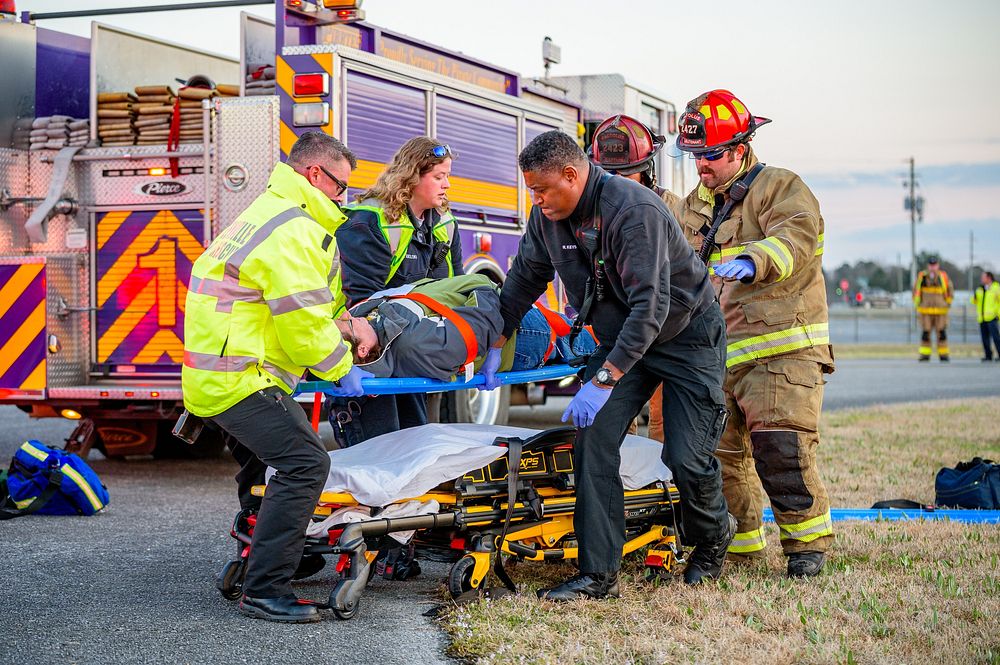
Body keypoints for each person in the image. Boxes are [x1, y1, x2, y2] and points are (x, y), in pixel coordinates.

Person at [481, 130, 735, 601]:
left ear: (573, 176)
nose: (535, 201)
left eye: (541, 190)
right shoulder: (548, 218)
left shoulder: (633, 212)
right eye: (530, 190)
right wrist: (496, 343)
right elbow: (522, 282)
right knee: (593, 439)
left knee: (684, 456)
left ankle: (713, 534)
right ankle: (598, 574)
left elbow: (651, 307)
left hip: (685, 336)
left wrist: (603, 378)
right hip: (623, 337)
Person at [182, 131, 373, 623]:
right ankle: (266, 589)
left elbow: (308, 309)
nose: (342, 197)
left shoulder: (269, 215)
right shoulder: (293, 230)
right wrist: (342, 368)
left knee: (265, 467)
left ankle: (277, 554)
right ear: (314, 174)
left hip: (220, 376)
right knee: (306, 464)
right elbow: (303, 325)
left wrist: (346, 325)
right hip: (240, 379)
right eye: (340, 186)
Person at [670, 89, 834, 578]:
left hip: (782, 350)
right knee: (717, 458)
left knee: (781, 450)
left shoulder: (780, 188)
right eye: (695, 155)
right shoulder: (696, 207)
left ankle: (806, 548)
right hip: (717, 355)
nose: (702, 165)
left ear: (741, 148)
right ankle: (740, 545)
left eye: (712, 155)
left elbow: (797, 237)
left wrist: (754, 258)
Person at [331, 137, 464, 445]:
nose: (447, 185)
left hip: (408, 351)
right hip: (367, 354)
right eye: (438, 177)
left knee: (412, 447)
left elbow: (457, 291)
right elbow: (360, 303)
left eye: (448, 176)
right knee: (377, 449)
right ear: (412, 176)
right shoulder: (370, 221)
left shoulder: (444, 225)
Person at [590, 114, 679, 443]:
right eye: (607, 173)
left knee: (664, 425)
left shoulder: (671, 209)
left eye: (625, 173)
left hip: (665, 335)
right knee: (614, 428)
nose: (615, 181)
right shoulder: (594, 211)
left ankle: (665, 490)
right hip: (618, 337)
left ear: (647, 170)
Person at [339, 274, 596, 384]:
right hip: (521, 335)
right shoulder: (414, 345)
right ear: (362, 349)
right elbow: (483, 322)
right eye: (348, 323)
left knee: (581, 334)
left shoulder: (377, 325)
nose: (350, 315)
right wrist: (480, 286)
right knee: (593, 345)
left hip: (516, 325)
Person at [913, 256, 954, 361]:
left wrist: (948, 303)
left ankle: (943, 354)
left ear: (938, 265)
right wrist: (917, 304)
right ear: (928, 266)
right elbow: (916, 291)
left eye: (934, 265)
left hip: (941, 311)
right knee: (925, 333)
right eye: (931, 265)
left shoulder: (943, 276)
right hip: (925, 311)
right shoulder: (922, 276)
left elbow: (950, 290)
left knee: (942, 333)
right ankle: (925, 355)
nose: (932, 267)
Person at [972, 271, 1000, 361]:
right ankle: (988, 355)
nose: (981, 279)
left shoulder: (996, 288)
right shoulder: (980, 289)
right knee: (985, 339)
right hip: (982, 317)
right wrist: (975, 296)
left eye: (983, 277)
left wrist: (998, 314)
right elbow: (974, 301)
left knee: (996, 338)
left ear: (989, 278)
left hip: (992, 317)